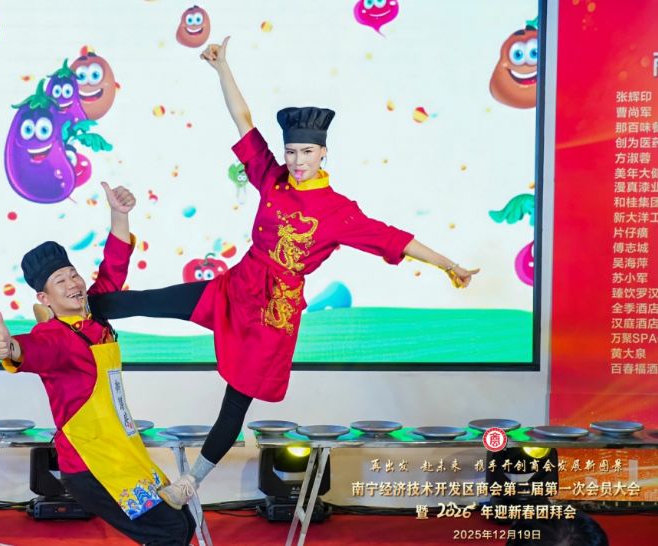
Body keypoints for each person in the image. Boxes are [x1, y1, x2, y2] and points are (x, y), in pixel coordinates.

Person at [89, 37, 481, 510]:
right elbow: (244, 120)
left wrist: (449, 265)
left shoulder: (338, 211)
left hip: (272, 315)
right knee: (150, 301)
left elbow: (394, 239)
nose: (296, 161)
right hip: (236, 287)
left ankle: (189, 482)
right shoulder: (272, 179)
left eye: (306, 152)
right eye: (291, 151)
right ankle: (73, 314)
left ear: (323, 153)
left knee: (234, 403)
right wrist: (222, 67)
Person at [0, 182, 195, 546]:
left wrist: (119, 214)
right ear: (44, 298)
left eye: (73, 274)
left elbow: (113, 268)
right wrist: (9, 348)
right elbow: (32, 350)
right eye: (60, 280)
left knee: (182, 522)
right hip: (91, 465)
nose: (72, 283)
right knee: (170, 530)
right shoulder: (55, 336)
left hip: (123, 453)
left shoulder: (95, 314)